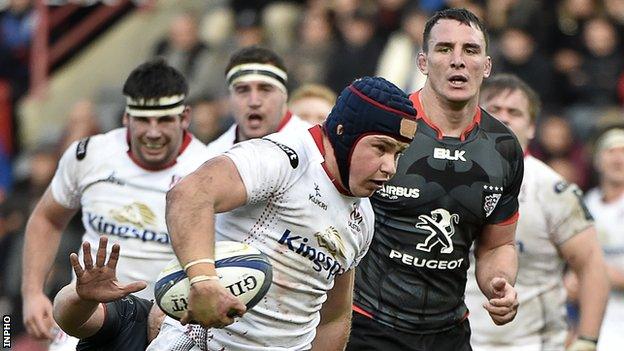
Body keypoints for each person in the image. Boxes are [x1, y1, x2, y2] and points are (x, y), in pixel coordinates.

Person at [147, 76, 419, 350]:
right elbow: (189, 194)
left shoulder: (364, 218)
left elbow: (333, 318)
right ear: (343, 132)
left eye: (398, 153)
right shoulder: (281, 159)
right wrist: (203, 280)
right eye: (381, 148)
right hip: (203, 343)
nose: (390, 167)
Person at [347, 8, 524, 351]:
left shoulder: (503, 148)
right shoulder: (384, 128)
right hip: (369, 324)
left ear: (486, 66)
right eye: (445, 49)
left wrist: (499, 283)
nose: (458, 61)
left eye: (470, 50)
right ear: (423, 62)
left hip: (449, 331)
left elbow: (498, 243)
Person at [21, 58, 208, 343]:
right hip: (88, 313)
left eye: (165, 120)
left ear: (185, 117)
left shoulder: (208, 169)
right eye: (143, 120)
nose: (153, 132)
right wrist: (32, 293)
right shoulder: (90, 154)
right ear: (125, 118)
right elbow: (47, 218)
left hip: (167, 322)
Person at [464, 74, 609, 351]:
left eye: (514, 112)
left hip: (534, 343)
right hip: (458, 341)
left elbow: (591, 265)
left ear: (531, 127)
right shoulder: (448, 177)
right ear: (475, 116)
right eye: (494, 109)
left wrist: (587, 340)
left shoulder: (554, 189)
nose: (504, 118)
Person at [53, 236, 165, 351]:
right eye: (171, 306)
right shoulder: (132, 314)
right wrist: (85, 300)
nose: (167, 323)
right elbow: (68, 320)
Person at [206, 45, 310, 158]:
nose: (254, 102)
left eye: (265, 89)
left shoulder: (313, 150)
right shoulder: (211, 157)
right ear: (230, 98)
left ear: (284, 96)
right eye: (243, 90)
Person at [583, 127, 624, 350]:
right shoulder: (587, 204)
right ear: (598, 161)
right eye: (611, 151)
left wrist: (598, 275)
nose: (618, 159)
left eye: (623, 151)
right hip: (595, 314)